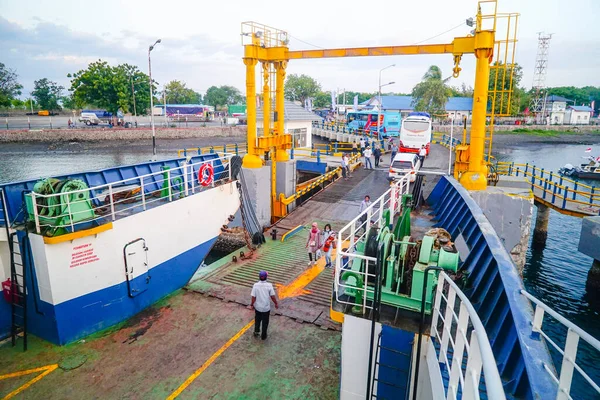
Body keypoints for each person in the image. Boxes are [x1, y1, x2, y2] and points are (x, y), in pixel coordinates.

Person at [250, 270, 279, 340]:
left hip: (258, 307)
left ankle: (256, 332)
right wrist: (276, 303)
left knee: (257, 320)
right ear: (266, 277)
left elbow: (253, 297)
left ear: (259, 277)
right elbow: (272, 296)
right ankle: (263, 336)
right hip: (266, 308)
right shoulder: (269, 285)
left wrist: (251, 304)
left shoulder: (255, 285)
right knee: (265, 323)